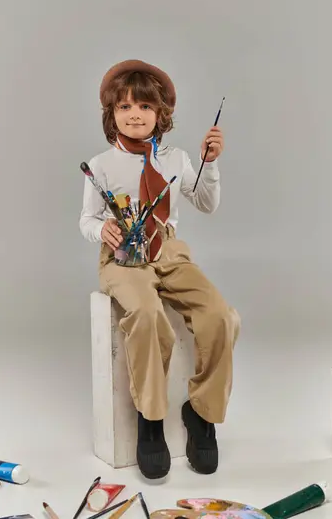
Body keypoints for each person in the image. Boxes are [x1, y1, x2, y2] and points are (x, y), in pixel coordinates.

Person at [79, 59, 241, 479]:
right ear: (111, 115)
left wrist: (211, 163)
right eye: (125, 107)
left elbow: (206, 203)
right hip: (123, 258)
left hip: (168, 251)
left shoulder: (177, 158)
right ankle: (150, 421)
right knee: (148, 316)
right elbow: (86, 219)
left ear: (161, 114)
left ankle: (201, 413)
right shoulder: (100, 165)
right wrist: (104, 230)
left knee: (221, 316)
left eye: (145, 107)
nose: (135, 115)